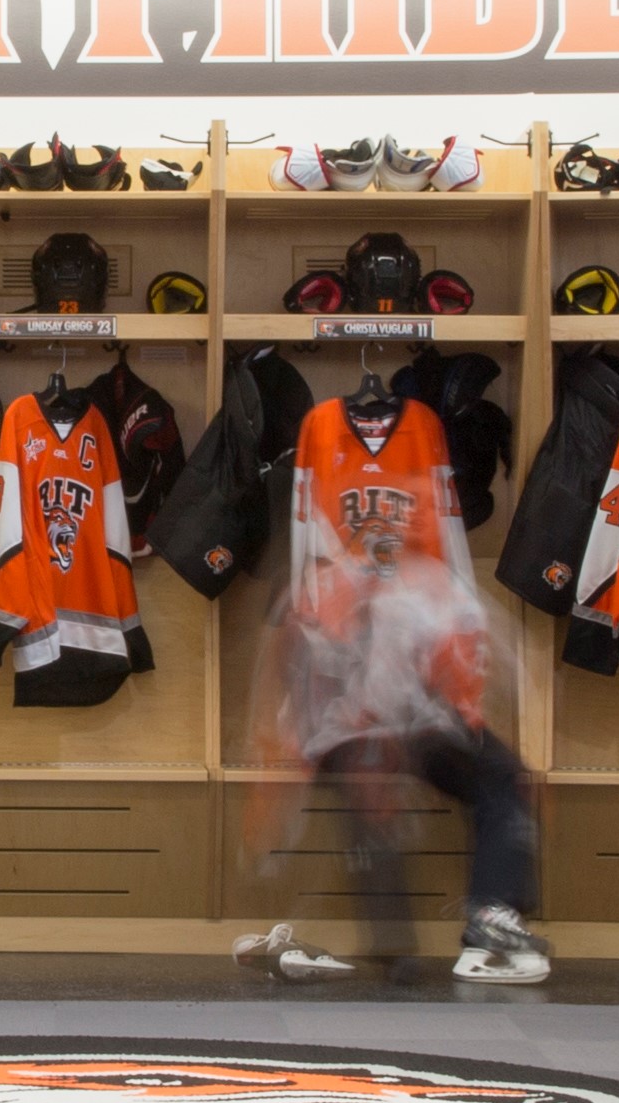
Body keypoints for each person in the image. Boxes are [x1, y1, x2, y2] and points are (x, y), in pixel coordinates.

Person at [234, 388, 552, 985]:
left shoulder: (437, 585)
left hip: (416, 721)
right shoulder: (326, 591)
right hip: (345, 729)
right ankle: (394, 948)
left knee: (503, 777)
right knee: (368, 777)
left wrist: (471, 727)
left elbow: (476, 674)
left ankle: (491, 913)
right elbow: (297, 680)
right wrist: (290, 760)